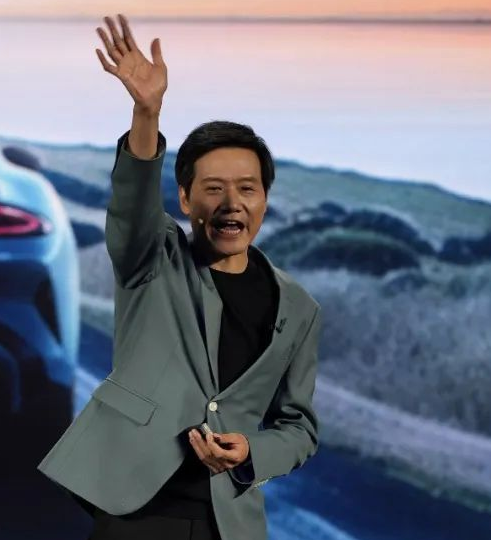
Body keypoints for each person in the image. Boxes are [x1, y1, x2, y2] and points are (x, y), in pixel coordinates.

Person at [37, 14, 322, 540]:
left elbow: (299, 426)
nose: (232, 203)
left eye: (247, 189)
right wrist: (147, 112)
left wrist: (252, 451)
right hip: (136, 513)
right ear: (186, 200)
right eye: (214, 188)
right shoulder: (153, 258)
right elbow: (133, 205)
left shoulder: (298, 307)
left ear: (264, 200)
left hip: (230, 523)